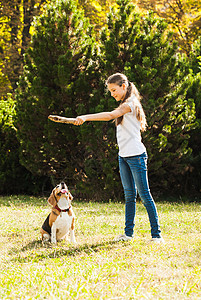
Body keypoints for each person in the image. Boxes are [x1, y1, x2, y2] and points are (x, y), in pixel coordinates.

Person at [69, 73, 163, 242]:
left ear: (123, 86)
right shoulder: (124, 103)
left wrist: (86, 117)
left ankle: (157, 235)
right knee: (129, 196)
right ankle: (128, 234)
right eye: (110, 91)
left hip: (137, 156)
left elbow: (111, 115)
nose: (112, 94)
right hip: (124, 156)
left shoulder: (130, 103)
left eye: (114, 90)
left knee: (144, 195)